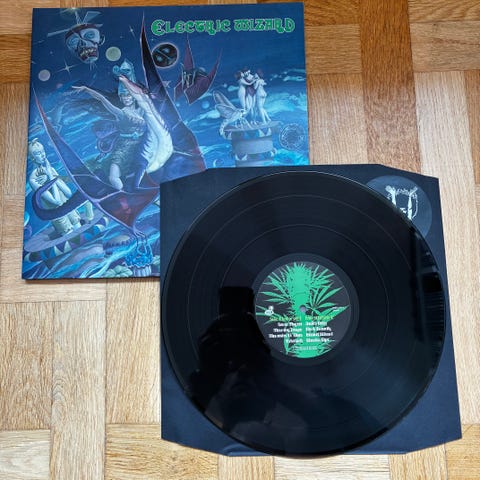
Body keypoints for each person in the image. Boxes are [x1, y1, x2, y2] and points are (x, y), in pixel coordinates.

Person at [28, 138, 82, 235]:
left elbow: (68, 193)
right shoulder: (33, 179)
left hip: (68, 207)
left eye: (43, 151)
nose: (43, 155)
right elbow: (56, 201)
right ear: (32, 158)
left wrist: (52, 176)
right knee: (69, 234)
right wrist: (51, 179)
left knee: (79, 228)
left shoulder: (50, 169)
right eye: (38, 153)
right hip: (56, 214)